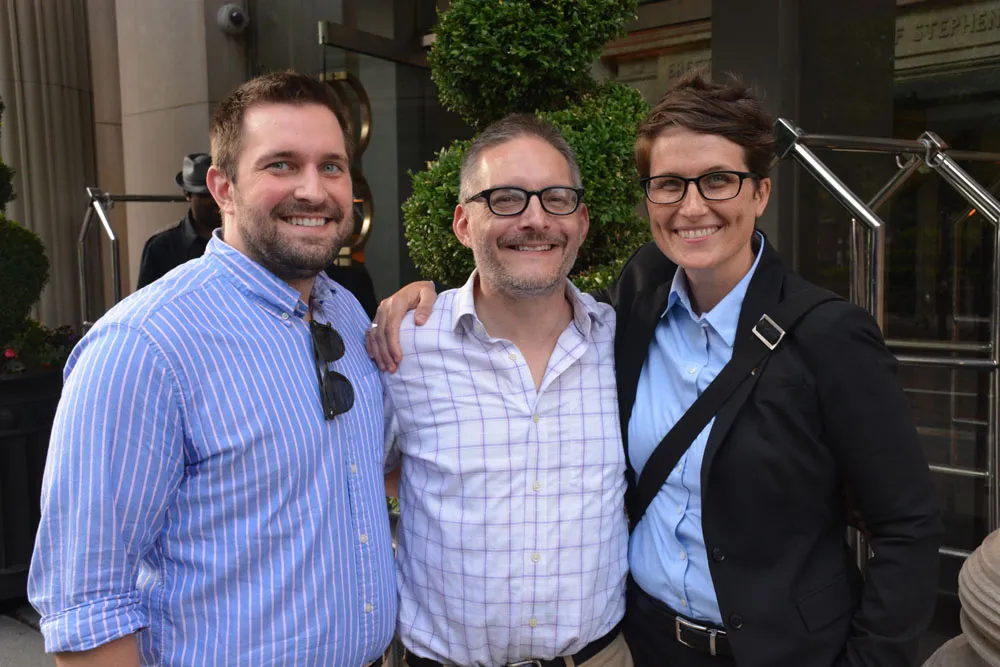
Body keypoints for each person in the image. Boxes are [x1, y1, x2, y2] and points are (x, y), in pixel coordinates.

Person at [369, 71, 943, 667]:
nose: (692, 207)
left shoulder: (828, 336)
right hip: (649, 644)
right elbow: (383, 473)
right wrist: (417, 302)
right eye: (669, 184)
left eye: (718, 180)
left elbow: (908, 525)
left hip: (780, 649)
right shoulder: (634, 303)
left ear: (760, 194)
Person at [29, 71, 395, 667]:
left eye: (331, 166)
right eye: (281, 165)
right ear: (223, 187)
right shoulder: (144, 346)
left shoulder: (346, 312)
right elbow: (88, 606)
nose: (313, 190)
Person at [381, 114, 631, 667]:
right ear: (463, 223)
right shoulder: (406, 349)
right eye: (506, 199)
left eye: (556, 199)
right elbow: (353, 477)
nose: (536, 220)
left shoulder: (624, 343)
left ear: (582, 221)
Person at [135, 153, 222, 288]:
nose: (214, 201)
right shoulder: (161, 247)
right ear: (187, 194)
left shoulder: (238, 241)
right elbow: (146, 298)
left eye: (218, 192)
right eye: (206, 195)